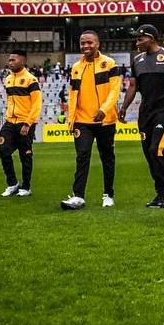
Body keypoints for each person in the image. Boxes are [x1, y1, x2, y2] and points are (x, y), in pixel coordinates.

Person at [118, 24, 164, 209]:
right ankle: (160, 193)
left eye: (141, 39)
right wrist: (123, 107)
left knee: (156, 149)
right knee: (149, 153)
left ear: (152, 39)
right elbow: (133, 86)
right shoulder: (137, 60)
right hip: (145, 113)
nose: (137, 42)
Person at [61, 31, 121, 210]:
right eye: (82, 43)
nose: (86, 46)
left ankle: (108, 194)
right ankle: (78, 196)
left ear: (98, 43)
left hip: (105, 120)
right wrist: (71, 119)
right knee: (82, 156)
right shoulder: (76, 67)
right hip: (82, 121)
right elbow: (72, 95)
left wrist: (104, 109)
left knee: (107, 157)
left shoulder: (109, 64)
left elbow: (114, 90)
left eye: (89, 43)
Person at [0, 50, 41, 198]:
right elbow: (10, 100)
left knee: (25, 155)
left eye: (13, 60)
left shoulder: (31, 80)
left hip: (25, 122)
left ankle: (26, 186)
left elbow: (36, 104)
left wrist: (28, 123)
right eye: (9, 60)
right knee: (3, 151)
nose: (10, 62)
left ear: (22, 61)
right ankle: (12, 183)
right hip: (10, 122)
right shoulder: (8, 79)